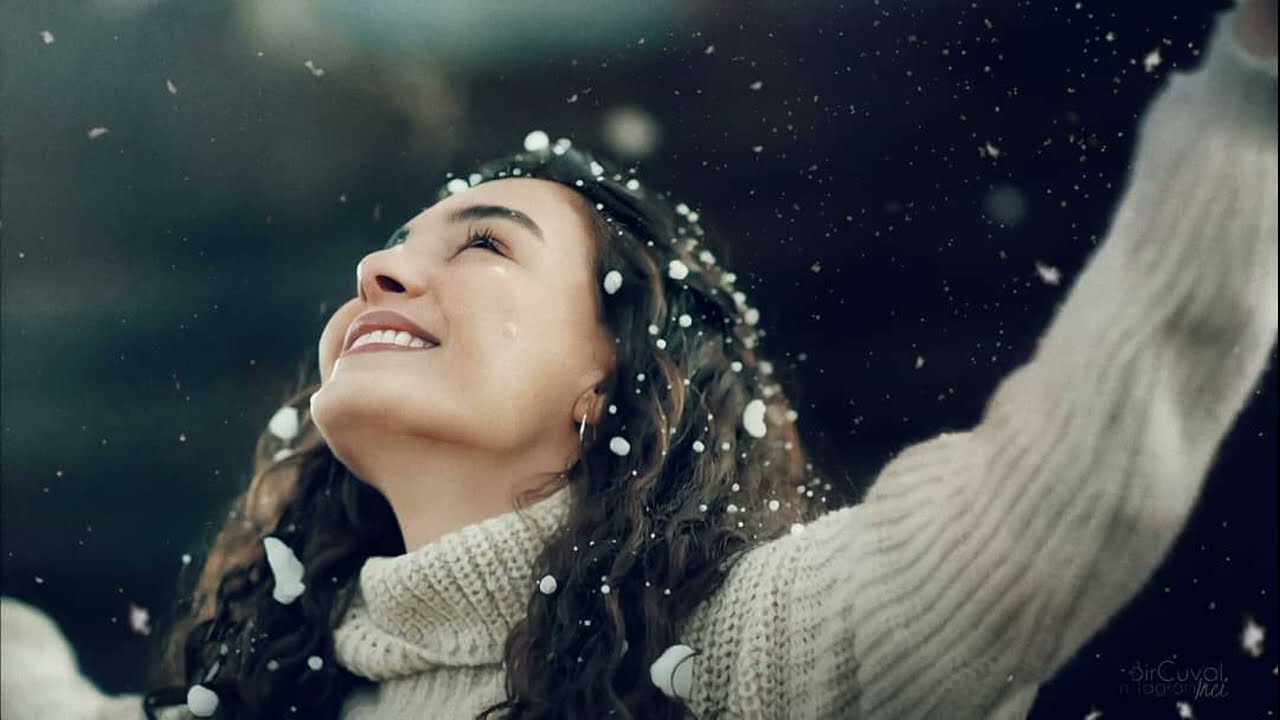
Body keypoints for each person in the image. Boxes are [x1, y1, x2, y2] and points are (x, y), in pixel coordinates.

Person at [2, 1, 1275, 717]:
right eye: (391, 245)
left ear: (611, 380)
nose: (378, 272)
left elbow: (1057, 494)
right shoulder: (269, 699)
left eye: (483, 246)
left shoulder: (749, 661)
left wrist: (1251, 95)